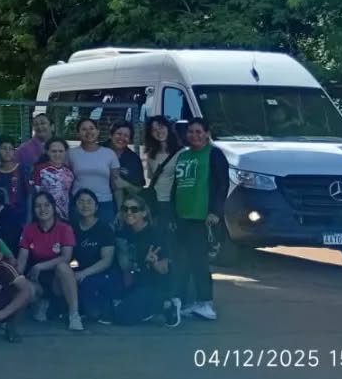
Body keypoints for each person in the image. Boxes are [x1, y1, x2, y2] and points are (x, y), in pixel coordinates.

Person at [168, 118, 228, 321]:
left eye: (198, 132)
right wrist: (173, 214)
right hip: (182, 216)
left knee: (199, 261)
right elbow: (177, 185)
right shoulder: (183, 155)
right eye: (191, 132)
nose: (194, 135)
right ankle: (187, 301)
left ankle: (206, 302)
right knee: (182, 261)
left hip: (201, 217)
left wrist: (215, 212)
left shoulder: (214, 154)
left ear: (207, 133)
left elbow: (222, 185)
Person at [17, 191, 83, 331]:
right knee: (23, 284)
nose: (42, 209)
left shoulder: (65, 228)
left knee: (63, 267)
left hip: (58, 280)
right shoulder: (28, 230)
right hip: (37, 279)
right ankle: (39, 303)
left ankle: (74, 314)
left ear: (53, 207)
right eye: (38, 206)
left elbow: (66, 257)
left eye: (46, 205)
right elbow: (22, 260)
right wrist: (16, 279)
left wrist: (40, 266)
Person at [113, 196, 180, 327]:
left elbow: (165, 269)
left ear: (143, 213)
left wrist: (154, 262)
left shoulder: (157, 234)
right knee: (111, 313)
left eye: (134, 209)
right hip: (134, 281)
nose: (129, 213)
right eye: (125, 209)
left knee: (123, 316)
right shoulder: (122, 233)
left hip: (155, 284)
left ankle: (167, 304)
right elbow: (124, 265)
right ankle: (145, 309)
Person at [71, 188, 118, 324]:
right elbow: (70, 258)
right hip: (77, 273)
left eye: (89, 202)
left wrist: (82, 274)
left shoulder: (104, 229)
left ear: (96, 207)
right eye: (81, 202)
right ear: (75, 207)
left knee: (93, 312)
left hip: (100, 274)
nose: (85, 205)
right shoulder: (71, 228)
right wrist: (72, 271)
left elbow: (106, 261)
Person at [68, 118, 121, 224]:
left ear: (97, 131)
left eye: (91, 128)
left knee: (105, 233)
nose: (88, 132)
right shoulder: (70, 154)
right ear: (78, 133)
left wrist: (120, 209)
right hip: (79, 204)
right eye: (84, 129)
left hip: (104, 204)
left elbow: (116, 185)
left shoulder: (109, 154)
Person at [143, 116, 183, 227]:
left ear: (168, 127)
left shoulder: (181, 153)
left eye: (161, 127)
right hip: (154, 201)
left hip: (172, 202)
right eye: (154, 130)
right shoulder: (151, 154)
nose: (159, 132)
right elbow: (151, 178)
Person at [30, 138, 76, 220]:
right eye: (54, 151)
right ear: (47, 152)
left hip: (64, 216)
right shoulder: (38, 170)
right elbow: (33, 194)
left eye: (61, 151)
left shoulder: (70, 172)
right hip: (43, 214)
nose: (57, 154)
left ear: (65, 152)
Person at [0, 136, 30, 226]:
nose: (7, 151)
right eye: (4, 148)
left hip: (21, 218)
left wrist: (29, 219)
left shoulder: (23, 170)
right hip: (1, 219)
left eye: (10, 149)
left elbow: (30, 195)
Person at [109, 122, 145, 209]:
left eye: (126, 136)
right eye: (119, 134)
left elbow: (139, 189)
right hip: (91, 202)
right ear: (111, 135)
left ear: (130, 139)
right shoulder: (98, 150)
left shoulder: (133, 159)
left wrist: (125, 184)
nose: (122, 138)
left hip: (123, 206)